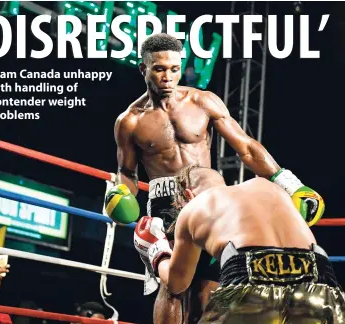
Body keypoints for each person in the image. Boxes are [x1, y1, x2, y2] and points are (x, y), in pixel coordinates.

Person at [109, 33, 324, 323]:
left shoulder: (202, 101)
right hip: (166, 201)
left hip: (211, 197)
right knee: (172, 286)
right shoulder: (130, 121)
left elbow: (245, 147)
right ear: (143, 69)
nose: (168, 77)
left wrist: (289, 183)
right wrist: (121, 195)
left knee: (210, 286)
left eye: (174, 68)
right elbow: (128, 173)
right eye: (159, 69)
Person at [134, 165, 345, 323]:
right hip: (321, 280)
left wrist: (157, 251)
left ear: (187, 196)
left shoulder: (195, 206)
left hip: (250, 280)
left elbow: (176, 283)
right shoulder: (267, 187)